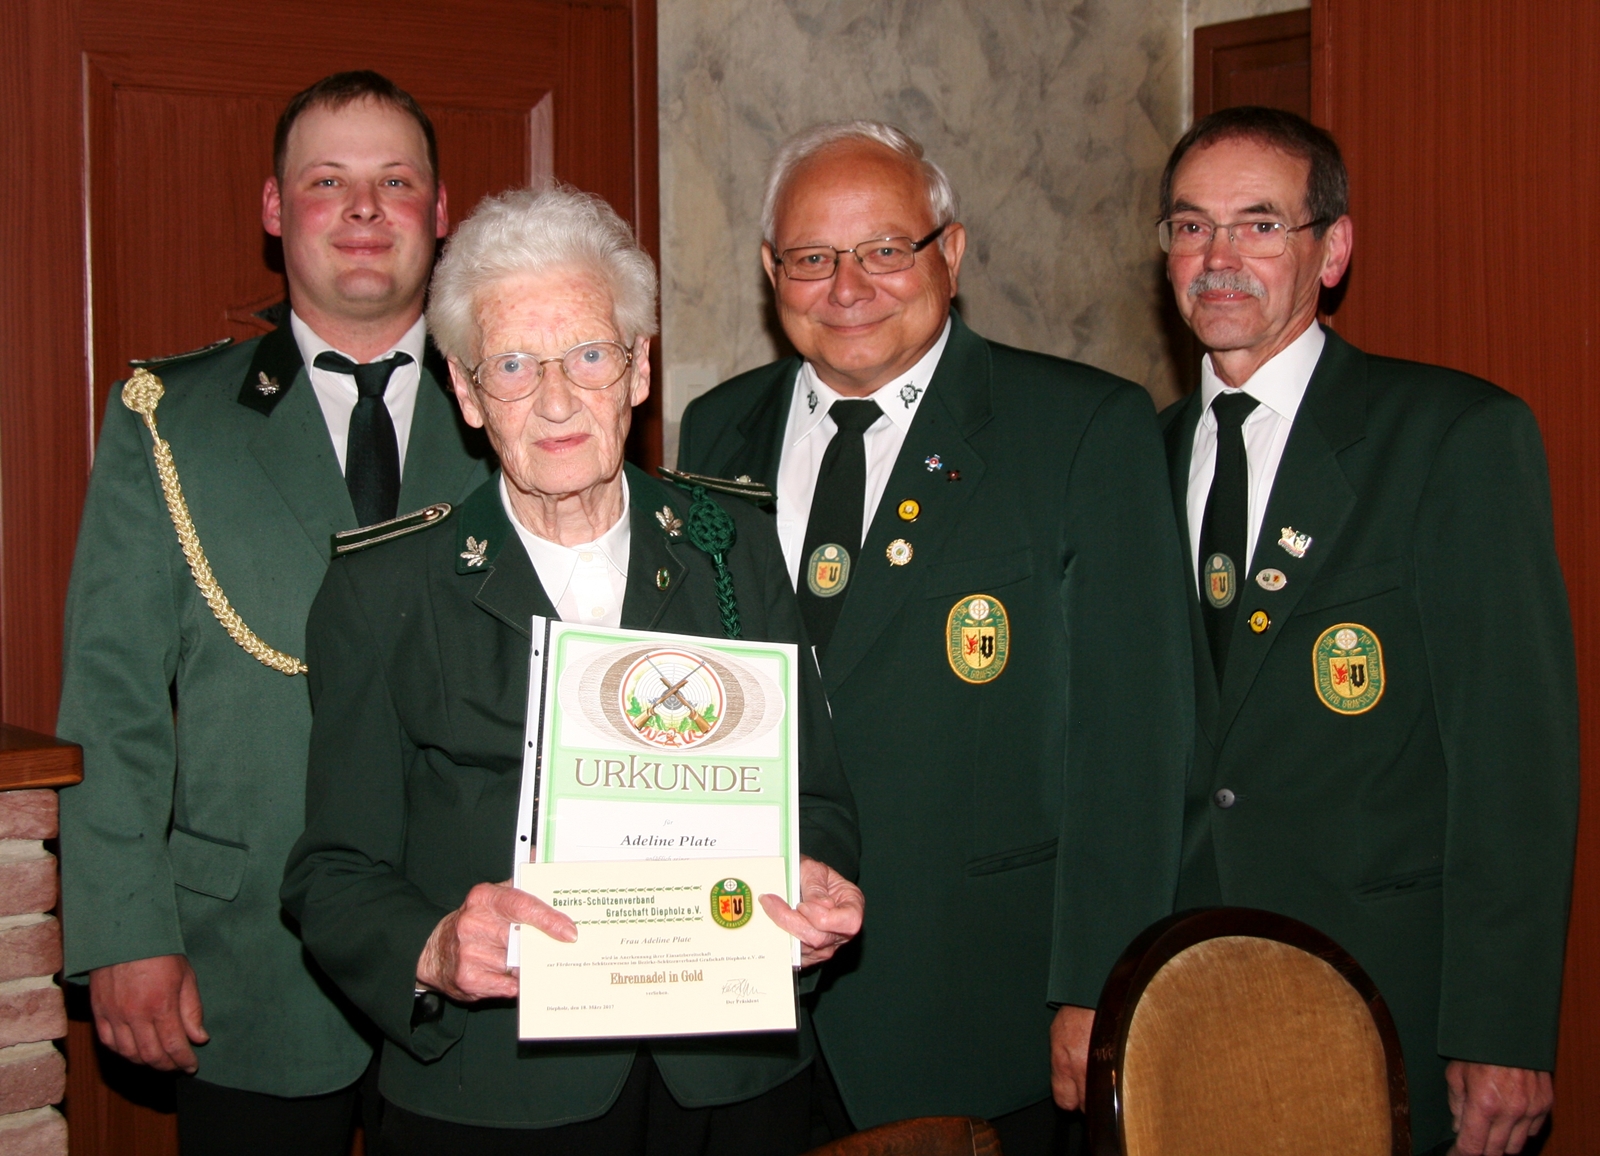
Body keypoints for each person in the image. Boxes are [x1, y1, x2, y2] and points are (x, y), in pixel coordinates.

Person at [280, 185, 864, 1156]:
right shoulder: (385, 590)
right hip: (498, 1094)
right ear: (467, 392)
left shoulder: (731, 546)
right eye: (513, 365)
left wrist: (820, 880)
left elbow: (819, 798)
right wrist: (432, 946)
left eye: (590, 355)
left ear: (639, 369)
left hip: (729, 1078)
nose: (556, 401)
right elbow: (332, 874)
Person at [675, 121, 1191, 1154]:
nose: (847, 287)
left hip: (977, 1005)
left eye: (885, 249)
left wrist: (1095, 985)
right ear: (771, 272)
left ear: (949, 253)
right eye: (811, 258)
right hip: (746, 999)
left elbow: (1133, 742)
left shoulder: (1080, 429)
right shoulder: (715, 429)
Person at [57, 71, 492, 1153]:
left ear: (440, 212)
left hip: (481, 954)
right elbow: (112, 699)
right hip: (246, 960)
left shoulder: (524, 409)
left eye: (396, 181)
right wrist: (123, 928)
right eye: (326, 181)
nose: (363, 209)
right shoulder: (171, 421)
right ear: (273, 208)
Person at [1155, 106, 1578, 1156]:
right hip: (1175, 993)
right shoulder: (1128, 459)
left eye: (1260, 224)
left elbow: (1514, 758)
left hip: (1386, 990)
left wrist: (1501, 1026)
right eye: (1191, 226)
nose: (1218, 257)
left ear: (1332, 250)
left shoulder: (1450, 437)